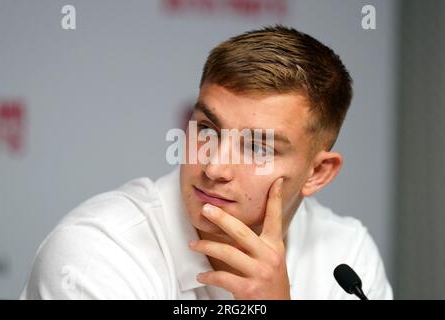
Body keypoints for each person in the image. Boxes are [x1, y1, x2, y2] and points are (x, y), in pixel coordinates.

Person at [20, 25, 392, 300]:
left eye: (258, 148)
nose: (214, 168)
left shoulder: (348, 255)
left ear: (317, 172)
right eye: (208, 129)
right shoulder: (95, 252)